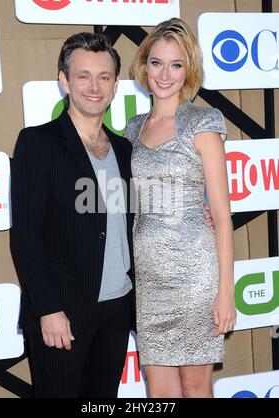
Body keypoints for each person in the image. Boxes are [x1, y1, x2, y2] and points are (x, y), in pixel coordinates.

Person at [10, 32, 135, 398]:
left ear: (115, 85)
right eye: (83, 76)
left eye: (104, 77)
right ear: (64, 81)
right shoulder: (38, 143)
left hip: (117, 307)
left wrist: (201, 211)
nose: (94, 86)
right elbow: (26, 236)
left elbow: (137, 216)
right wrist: (48, 309)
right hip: (63, 311)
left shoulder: (125, 148)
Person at [124, 18, 237, 398]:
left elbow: (221, 215)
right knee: (160, 394)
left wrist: (225, 292)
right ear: (144, 65)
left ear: (188, 69)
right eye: (157, 62)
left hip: (194, 277)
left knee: (194, 385)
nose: (165, 74)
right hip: (150, 280)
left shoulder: (203, 122)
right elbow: (132, 203)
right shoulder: (132, 129)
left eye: (176, 64)